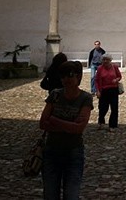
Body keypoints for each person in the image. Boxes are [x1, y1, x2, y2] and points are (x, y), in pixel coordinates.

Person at [39, 61, 93, 200]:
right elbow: (43, 123)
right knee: (50, 194)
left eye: (70, 75)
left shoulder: (85, 98)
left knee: (71, 194)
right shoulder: (55, 95)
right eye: (63, 76)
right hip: (52, 150)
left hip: (73, 151)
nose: (66, 80)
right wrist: (69, 125)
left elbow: (78, 129)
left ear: (78, 77)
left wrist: (55, 120)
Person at [94, 54, 121, 131]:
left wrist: (116, 80)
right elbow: (96, 80)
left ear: (110, 60)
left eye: (107, 59)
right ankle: (101, 121)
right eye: (104, 59)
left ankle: (112, 125)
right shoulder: (100, 68)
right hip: (104, 90)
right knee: (103, 108)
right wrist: (98, 91)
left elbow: (119, 76)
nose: (105, 61)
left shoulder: (114, 67)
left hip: (113, 89)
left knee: (114, 108)